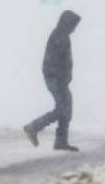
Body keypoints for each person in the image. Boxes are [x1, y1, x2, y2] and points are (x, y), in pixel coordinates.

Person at [23, 10, 81, 151]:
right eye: (73, 25)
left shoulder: (61, 36)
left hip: (58, 78)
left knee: (65, 107)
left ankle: (61, 141)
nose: (75, 28)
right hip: (56, 78)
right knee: (62, 108)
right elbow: (57, 62)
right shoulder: (59, 37)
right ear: (67, 24)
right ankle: (34, 127)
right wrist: (62, 78)